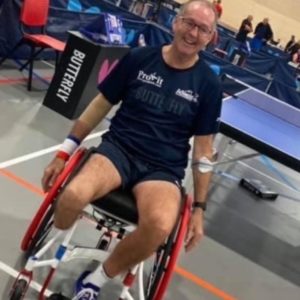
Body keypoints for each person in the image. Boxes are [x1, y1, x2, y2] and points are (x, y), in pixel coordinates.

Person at [42, 0, 222, 299]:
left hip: (162, 170)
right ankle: (59, 239)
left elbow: (203, 154)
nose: (193, 33)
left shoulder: (209, 85)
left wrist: (200, 211)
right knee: (72, 196)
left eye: (203, 29)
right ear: (175, 23)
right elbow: (100, 104)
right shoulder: (139, 58)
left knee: (161, 225)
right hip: (118, 151)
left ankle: (96, 280)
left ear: (210, 38)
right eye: (189, 23)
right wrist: (64, 152)